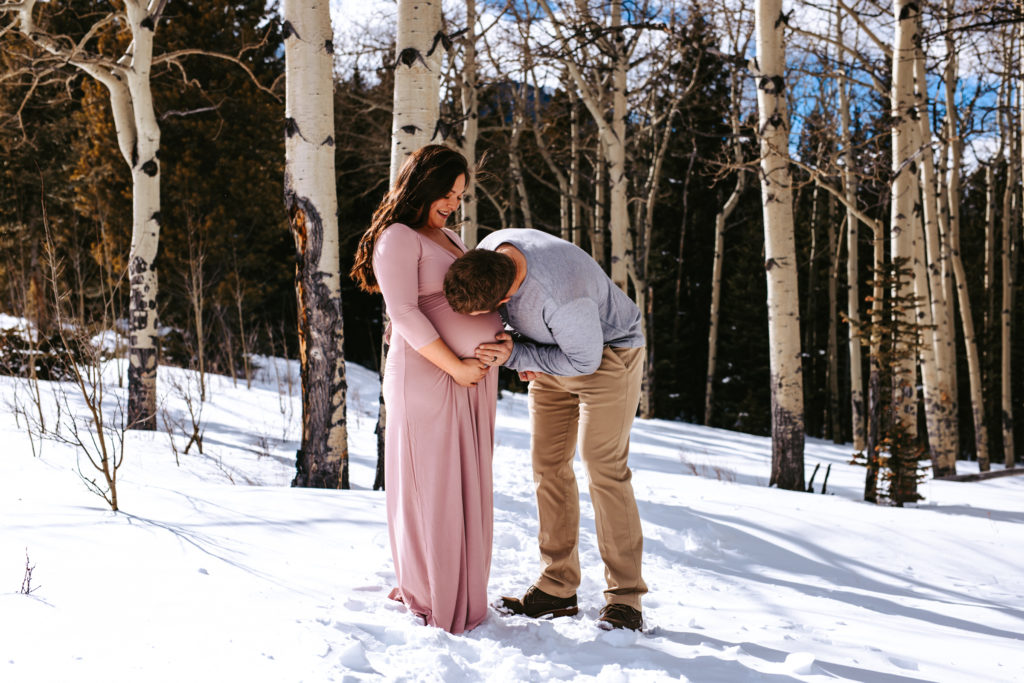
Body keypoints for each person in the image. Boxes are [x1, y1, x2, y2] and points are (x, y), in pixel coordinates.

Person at [443, 228, 647, 631]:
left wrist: (518, 354)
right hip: (554, 354)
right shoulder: (491, 250)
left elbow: (584, 361)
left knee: (603, 467)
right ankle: (557, 586)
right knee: (547, 465)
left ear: (505, 300)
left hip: (605, 355)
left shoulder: (559, 296)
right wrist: (526, 354)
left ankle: (626, 599)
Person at [350, 145, 502, 634]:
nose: (453, 203)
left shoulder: (451, 237)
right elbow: (405, 314)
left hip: (469, 381)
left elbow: (477, 300)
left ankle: (463, 589)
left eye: (460, 195)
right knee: (432, 484)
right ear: (424, 185)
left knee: (467, 483)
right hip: (429, 376)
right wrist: (456, 367)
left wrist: (502, 345)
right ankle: (436, 592)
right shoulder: (397, 237)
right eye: (448, 193)